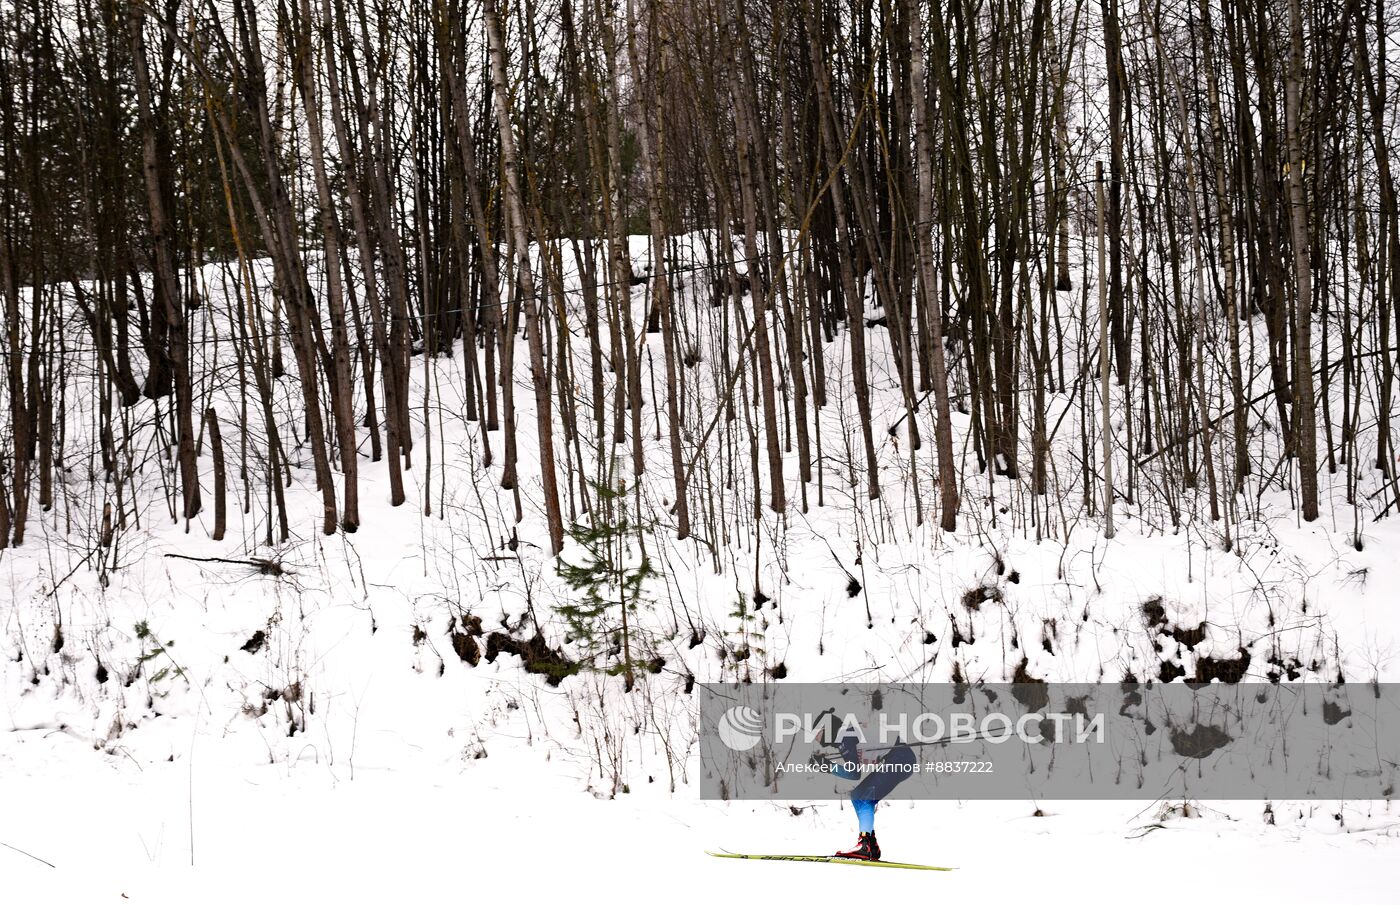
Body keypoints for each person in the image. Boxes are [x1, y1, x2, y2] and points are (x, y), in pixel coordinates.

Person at [815, 709, 917, 861]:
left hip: (899, 757)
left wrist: (827, 766)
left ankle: (865, 845)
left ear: (827, 729)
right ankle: (870, 845)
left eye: (817, 734)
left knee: (864, 799)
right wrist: (827, 764)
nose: (817, 740)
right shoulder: (846, 736)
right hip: (900, 757)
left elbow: (854, 773)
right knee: (857, 796)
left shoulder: (845, 737)